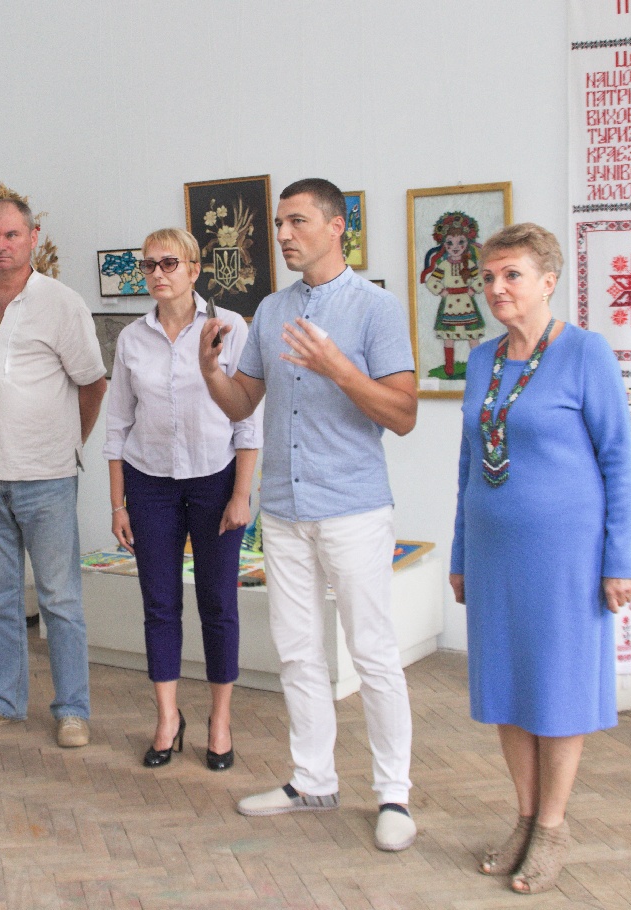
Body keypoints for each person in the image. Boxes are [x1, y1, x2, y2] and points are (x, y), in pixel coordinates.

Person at [198, 177, 419, 851]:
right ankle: (312, 780)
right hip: (284, 510)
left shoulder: (376, 308)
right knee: (296, 653)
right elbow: (243, 405)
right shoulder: (270, 310)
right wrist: (210, 373)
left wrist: (338, 369)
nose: (283, 235)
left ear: (335, 226)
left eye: (296, 221)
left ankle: (393, 794)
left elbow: (403, 415)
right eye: (278, 224)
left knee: (372, 653)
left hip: (352, 507)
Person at [451, 223, 631, 893]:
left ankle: (553, 827)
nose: (496, 288)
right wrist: (460, 552)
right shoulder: (482, 359)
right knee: (506, 686)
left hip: (565, 556)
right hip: (492, 553)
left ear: (548, 282)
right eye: (488, 276)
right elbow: (468, 464)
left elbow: (618, 462)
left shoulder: (586, 353)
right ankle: (525, 818)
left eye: (512, 275)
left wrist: (619, 560)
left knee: (556, 686)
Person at [0, 197, 107, 748]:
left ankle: (72, 710)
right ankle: (3, 701)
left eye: (12, 235)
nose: (1, 246)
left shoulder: (61, 303)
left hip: (48, 477)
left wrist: (68, 443)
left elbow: (93, 383)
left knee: (60, 599)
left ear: (33, 238)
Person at [103, 227, 260, 770]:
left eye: (169, 263)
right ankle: (168, 717)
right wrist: (118, 504)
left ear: (194, 270)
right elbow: (117, 426)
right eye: (149, 265)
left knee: (217, 603)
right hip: (149, 483)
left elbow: (248, 420)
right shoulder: (132, 339)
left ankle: (220, 719)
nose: (158, 273)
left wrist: (241, 495)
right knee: (159, 603)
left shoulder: (229, 327)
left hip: (216, 479)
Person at [421, 211, 487, 379]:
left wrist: (472, 290)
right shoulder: (443, 265)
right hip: (450, 304)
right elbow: (431, 281)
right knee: (449, 337)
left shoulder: (469, 263)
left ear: (467, 243)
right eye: (450, 243)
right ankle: (449, 365)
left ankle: (478, 367)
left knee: (472, 336)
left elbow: (480, 279)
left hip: (466, 303)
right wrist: (442, 291)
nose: (455, 247)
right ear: (444, 244)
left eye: (461, 242)